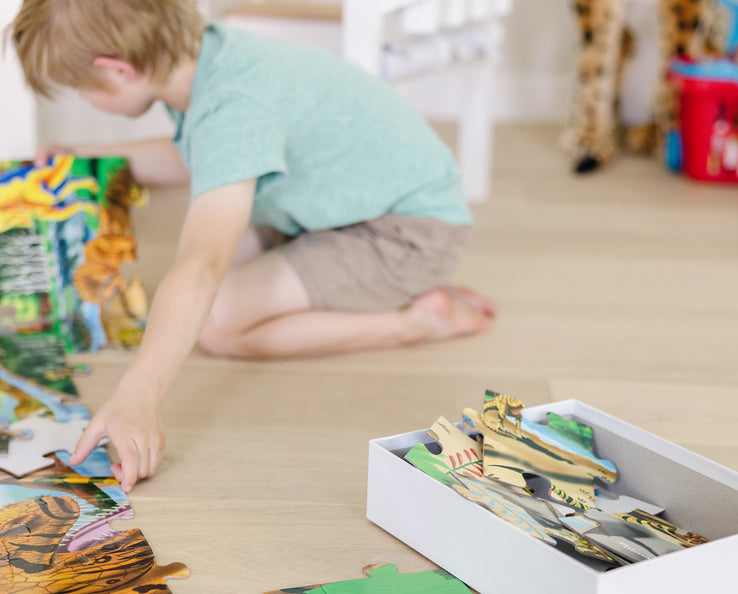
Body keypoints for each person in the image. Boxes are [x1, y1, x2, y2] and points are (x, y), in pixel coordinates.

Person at [9, 0, 495, 492]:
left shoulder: (234, 107)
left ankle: (413, 322)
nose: (83, 99)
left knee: (216, 323)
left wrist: (139, 394)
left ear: (116, 70)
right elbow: (204, 157)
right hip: (341, 206)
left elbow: (201, 264)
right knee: (201, 292)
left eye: (79, 89)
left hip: (402, 235)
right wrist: (89, 157)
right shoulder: (216, 55)